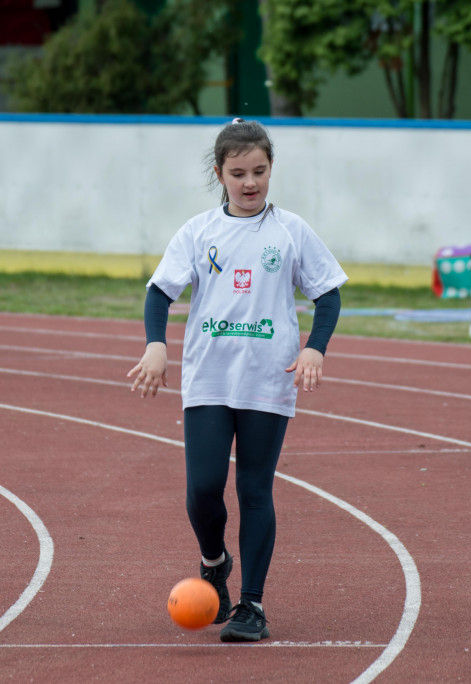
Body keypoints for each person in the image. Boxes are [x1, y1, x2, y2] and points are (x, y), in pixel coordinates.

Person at [127, 119, 347, 643]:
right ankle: (214, 561)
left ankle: (252, 604)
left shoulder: (291, 231)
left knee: (253, 488)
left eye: (260, 172)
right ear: (219, 173)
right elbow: (160, 293)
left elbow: (328, 293)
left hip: (268, 380)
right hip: (208, 377)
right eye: (238, 173)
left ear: (271, 169)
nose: (250, 183)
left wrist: (315, 347)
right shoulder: (199, 231)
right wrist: (156, 345)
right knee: (202, 490)